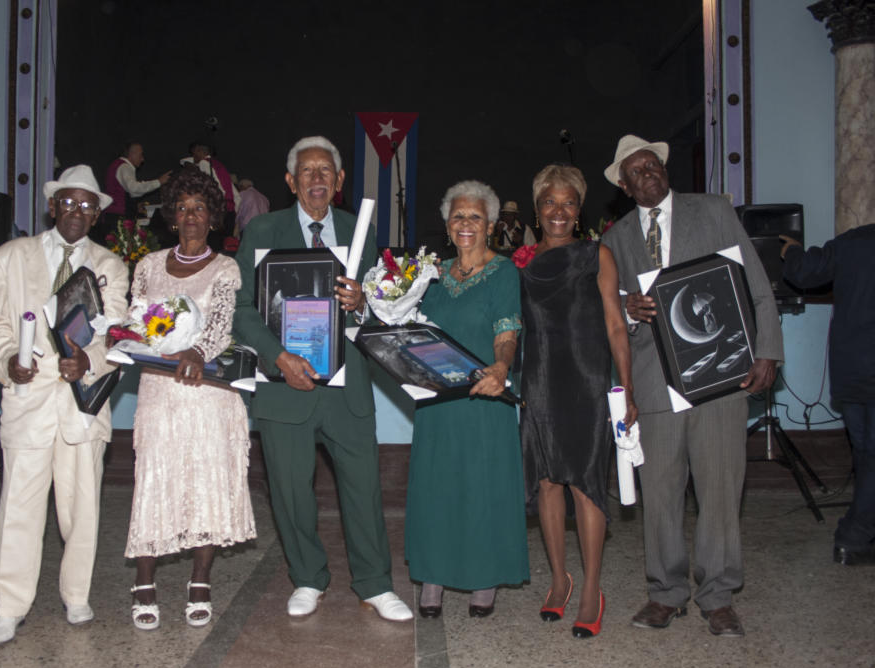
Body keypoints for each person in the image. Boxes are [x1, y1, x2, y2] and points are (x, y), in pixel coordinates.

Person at [601, 135, 783, 637]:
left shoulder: (713, 211)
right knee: (659, 494)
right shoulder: (613, 239)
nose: (649, 173)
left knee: (720, 489)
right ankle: (665, 593)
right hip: (655, 383)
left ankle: (718, 596)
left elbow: (756, 281)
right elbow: (606, 313)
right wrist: (627, 310)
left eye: (653, 164)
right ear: (623, 184)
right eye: (637, 170)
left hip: (720, 375)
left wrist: (767, 348)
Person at [232, 135, 412, 622]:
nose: (317, 179)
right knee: (290, 492)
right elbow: (242, 309)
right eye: (306, 172)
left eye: (325, 171)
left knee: (363, 488)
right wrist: (277, 357)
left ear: (339, 181)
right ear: (290, 181)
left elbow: (379, 307)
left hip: (346, 387)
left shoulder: (359, 230)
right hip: (284, 384)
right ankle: (308, 578)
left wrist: (364, 303)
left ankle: (375, 584)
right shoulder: (263, 230)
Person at [0, 165, 129, 645]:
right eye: (68, 202)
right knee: (19, 507)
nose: (76, 212)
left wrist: (89, 360)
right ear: (51, 205)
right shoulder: (9, 257)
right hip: (28, 400)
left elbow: (120, 334)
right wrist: (7, 362)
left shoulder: (111, 266)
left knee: (81, 507)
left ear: (98, 214)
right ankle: (9, 605)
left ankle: (76, 595)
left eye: (87, 205)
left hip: (83, 404)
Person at [124, 165, 256, 630]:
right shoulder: (146, 266)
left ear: (213, 217)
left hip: (208, 394)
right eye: (182, 208)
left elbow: (220, 325)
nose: (191, 216)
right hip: (160, 392)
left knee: (206, 484)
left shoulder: (225, 268)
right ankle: (144, 579)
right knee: (153, 480)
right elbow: (135, 321)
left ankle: (200, 577)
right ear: (172, 217)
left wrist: (197, 351)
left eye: (200, 208)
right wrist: (129, 340)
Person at [518, 164, 637, 638]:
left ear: (579, 207)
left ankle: (591, 587)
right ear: (537, 207)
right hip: (541, 381)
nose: (559, 211)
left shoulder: (597, 255)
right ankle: (558, 580)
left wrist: (626, 387)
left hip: (587, 381)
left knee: (587, 482)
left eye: (568, 202)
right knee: (548, 481)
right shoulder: (522, 262)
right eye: (550, 201)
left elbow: (615, 325)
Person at [407, 180, 529, 618]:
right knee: (437, 485)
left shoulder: (503, 272)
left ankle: (483, 577)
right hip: (437, 401)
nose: (465, 224)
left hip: (484, 397)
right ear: (446, 223)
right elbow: (410, 330)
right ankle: (433, 576)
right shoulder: (431, 275)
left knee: (481, 486)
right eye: (458, 216)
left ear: (491, 225)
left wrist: (501, 368)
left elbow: (506, 330)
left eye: (475, 216)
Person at [781, 225, 875, 565]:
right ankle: (853, 537)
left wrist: (791, 250)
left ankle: (859, 536)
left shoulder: (853, 242)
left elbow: (804, 272)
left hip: (851, 371)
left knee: (865, 455)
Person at [102, 141, 172, 224]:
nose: (142, 159)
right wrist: (158, 182)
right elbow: (134, 189)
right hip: (118, 216)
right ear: (132, 154)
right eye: (141, 155)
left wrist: (134, 206)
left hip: (113, 214)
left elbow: (125, 192)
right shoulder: (124, 167)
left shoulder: (118, 165)